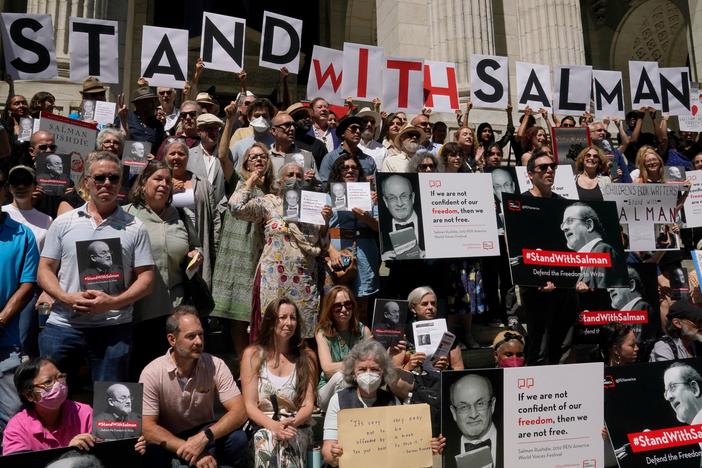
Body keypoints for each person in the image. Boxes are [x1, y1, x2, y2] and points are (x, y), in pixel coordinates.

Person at [37, 151, 155, 384]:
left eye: (114, 178)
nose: (107, 183)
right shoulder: (64, 222)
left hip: (114, 327)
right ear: (87, 181)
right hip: (63, 325)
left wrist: (111, 303)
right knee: (51, 401)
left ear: (121, 182)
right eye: (100, 178)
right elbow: (44, 269)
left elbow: (147, 279)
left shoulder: (135, 227)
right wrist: (65, 297)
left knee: (111, 410)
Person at [229, 162, 331, 339]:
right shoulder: (269, 203)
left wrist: (325, 222)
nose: (294, 179)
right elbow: (236, 208)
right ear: (280, 181)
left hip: (304, 278)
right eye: (289, 175)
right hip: (274, 278)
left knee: (302, 331)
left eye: (299, 175)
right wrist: (252, 179)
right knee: (274, 330)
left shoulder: (312, 205)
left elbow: (320, 246)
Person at [140, 306, 248, 467]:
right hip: (171, 439)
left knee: (238, 439)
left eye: (201, 335)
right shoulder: (152, 373)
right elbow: (147, 427)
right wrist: (189, 449)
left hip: (204, 434)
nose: (199, 341)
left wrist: (205, 437)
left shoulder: (215, 365)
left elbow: (240, 411)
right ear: (172, 339)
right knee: (152, 451)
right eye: (191, 336)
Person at [124, 160, 203, 377]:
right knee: (138, 370)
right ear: (142, 184)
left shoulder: (180, 216)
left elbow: (195, 246)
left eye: (168, 180)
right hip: (137, 310)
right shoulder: (125, 215)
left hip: (173, 308)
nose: (164, 184)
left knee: (169, 371)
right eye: (157, 178)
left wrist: (196, 255)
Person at [322, 340, 446, 466]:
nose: (368, 374)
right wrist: (334, 455)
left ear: (383, 373)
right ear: (353, 372)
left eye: (375, 369)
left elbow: (405, 446)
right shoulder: (339, 400)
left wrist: (427, 448)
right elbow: (327, 451)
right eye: (362, 369)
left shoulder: (391, 400)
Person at [211, 144, 274, 363]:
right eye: (253, 156)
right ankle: (243, 362)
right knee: (237, 318)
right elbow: (221, 155)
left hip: (257, 254)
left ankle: (259, 361)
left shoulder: (272, 190)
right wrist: (230, 119)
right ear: (246, 162)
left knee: (257, 313)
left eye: (262, 156)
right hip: (235, 255)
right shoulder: (236, 180)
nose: (258, 160)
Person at [240, 298, 317, 466]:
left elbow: (308, 404)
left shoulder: (307, 357)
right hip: (263, 424)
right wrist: (274, 427)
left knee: (292, 440)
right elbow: (250, 406)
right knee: (266, 441)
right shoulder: (252, 355)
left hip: (295, 424)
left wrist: (292, 423)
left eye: (293, 318)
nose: (288, 323)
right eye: (282, 317)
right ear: (271, 321)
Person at [0, 170, 39, 441]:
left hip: (7, 342)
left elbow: (27, 285)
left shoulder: (22, 234)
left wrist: (1, 318)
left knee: (12, 414)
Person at [2, 357, 93, 455]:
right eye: (48, 382)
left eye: (60, 377)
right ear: (29, 395)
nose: (58, 385)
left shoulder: (85, 412)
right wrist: (69, 455)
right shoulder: (17, 427)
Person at [326, 153, 380, 314]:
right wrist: (331, 251)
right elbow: (320, 231)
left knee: (362, 302)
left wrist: (366, 217)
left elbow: (379, 228)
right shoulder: (328, 197)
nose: (350, 171)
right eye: (345, 168)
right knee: (336, 301)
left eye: (354, 168)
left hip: (365, 251)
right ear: (338, 171)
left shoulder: (371, 197)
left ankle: (361, 338)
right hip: (337, 251)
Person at [164, 140, 221, 288]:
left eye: (181, 154)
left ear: (187, 158)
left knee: (196, 287)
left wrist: (213, 246)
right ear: (165, 157)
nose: (176, 157)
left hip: (198, 245)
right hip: (170, 245)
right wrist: (169, 189)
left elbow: (215, 218)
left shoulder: (202, 183)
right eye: (172, 153)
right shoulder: (159, 183)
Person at [315, 286, 372, 411]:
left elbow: (372, 363)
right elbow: (328, 369)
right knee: (341, 377)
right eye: (337, 306)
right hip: (327, 393)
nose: (344, 309)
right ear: (330, 309)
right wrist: (358, 364)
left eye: (348, 304)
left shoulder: (364, 331)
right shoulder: (322, 333)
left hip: (358, 387)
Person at [560, 202, 627, 290]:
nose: (564, 228)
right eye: (563, 224)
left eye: (570, 221)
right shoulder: (589, 259)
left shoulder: (602, 250)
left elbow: (605, 294)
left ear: (589, 225)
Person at [446, 373, 501, 468]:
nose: (473, 415)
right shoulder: (443, 452)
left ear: (492, 405)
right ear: (454, 412)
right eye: (463, 407)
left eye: (480, 404)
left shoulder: (517, 442)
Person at [379, 174, 424, 259]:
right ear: (385, 201)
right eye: (392, 198)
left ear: (413, 197)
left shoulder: (430, 222)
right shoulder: (380, 228)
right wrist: (381, 258)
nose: (399, 203)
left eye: (404, 196)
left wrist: (432, 255)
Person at [319, 116, 377, 182]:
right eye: (353, 128)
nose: (358, 131)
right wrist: (362, 181)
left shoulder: (369, 160)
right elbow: (324, 183)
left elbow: (376, 186)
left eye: (360, 129)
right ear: (343, 133)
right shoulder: (330, 158)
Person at [188, 113, 226, 204]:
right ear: (198, 131)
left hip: (220, 212)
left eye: (216, 129)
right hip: (196, 211)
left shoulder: (226, 155)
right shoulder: (189, 155)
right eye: (209, 129)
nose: (214, 132)